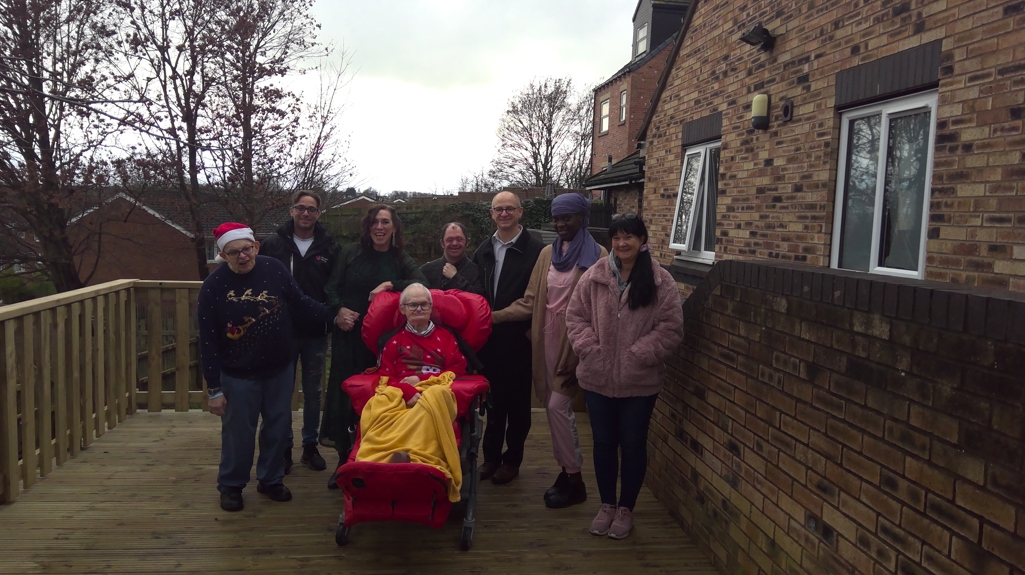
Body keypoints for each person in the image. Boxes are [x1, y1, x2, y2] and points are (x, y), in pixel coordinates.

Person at [197, 222, 337, 512]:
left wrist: (335, 316)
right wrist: (214, 389)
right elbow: (208, 341)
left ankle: (271, 479)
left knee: (277, 426)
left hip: (279, 369)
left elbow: (300, 302)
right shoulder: (214, 286)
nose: (242, 256)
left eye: (247, 249)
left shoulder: (274, 269)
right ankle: (232, 485)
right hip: (238, 374)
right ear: (223, 255)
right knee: (238, 433)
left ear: (256, 247)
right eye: (233, 252)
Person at [566, 213, 683, 539]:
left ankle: (626, 508)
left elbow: (671, 328)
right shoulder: (594, 277)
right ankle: (606, 505)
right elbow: (575, 317)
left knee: (632, 444)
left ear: (642, 240)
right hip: (597, 377)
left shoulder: (661, 281)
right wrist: (591, 349)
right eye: (616, 237)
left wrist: (638, 355)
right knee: (603, 443)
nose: (622, 243)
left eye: (629, 237)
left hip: (639, 382)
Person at [492, 193, 607, 507]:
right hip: (545, 341)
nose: (560, 224)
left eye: (567, 218)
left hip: (574, 344)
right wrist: (492, 316)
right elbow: (531, 301)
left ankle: (575, 479)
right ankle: (566, 471)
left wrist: (583, 352)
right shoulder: (547, 254)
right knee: (553, 408)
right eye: (556, 218)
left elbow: (601, 311)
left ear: (582, 218)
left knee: (558, 408)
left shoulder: (599, 255)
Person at [322, 204, 428, 489]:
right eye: (375, 223)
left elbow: (421, 282)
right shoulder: (350, 253)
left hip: (385, 343)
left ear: (394, 228)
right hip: (350, 335)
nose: (379, 227)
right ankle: (345, 461)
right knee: (347, 398)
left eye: (385, 222)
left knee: (380, 399)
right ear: (368, 227)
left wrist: (390, 285)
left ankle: (376, 457)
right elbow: (331, 288)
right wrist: (339, 310)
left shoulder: (399, 258)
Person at [259, 190, 340, 474]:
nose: (306, 213)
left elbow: (334, 286)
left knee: (314, 391)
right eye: (301, 208)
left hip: (316, 331)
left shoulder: (329, 247)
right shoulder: (274, 244)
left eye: (311, 209)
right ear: (292, 210)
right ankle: (284, 447)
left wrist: (331, 313)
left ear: (319, 213)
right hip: (281, 331)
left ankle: (309, 446)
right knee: (281, 391)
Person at [472, 191, 543, 485]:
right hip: (489, 341)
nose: (504, 214)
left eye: (509, 209)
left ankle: (512, 460)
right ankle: (490, 458)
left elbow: (538, 298)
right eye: (498, 209)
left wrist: (498, 318)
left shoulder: (537, 250)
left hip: (519, 340)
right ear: (491, 214)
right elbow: (476, 291)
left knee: (517, 406)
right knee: (493, 403)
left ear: (520, 212)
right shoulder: (484, 249)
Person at [419, 222, 483, 295]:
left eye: (459, 239)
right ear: (442, 243)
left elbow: (479, 301)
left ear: (467, 242)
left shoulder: (477, 272)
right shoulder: (426, 271)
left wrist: (455, 278)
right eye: (449, 240)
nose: (454, 243)